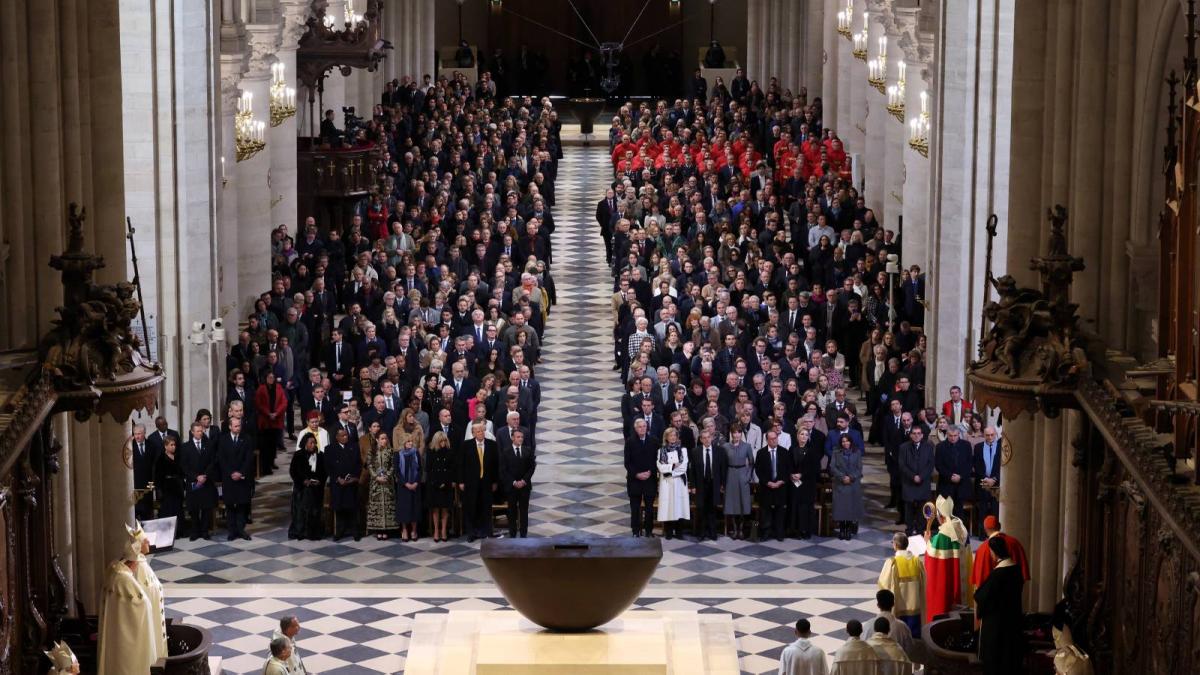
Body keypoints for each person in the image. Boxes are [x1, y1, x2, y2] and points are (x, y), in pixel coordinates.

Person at [98, 537, 158, 675]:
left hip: (115, 629)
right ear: (134, 562)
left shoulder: (113, 568)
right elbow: (143, 605)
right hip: (125, 635)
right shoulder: (124, 579)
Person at [973, 536, 1026, 675]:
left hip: (997, 625)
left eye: (991, 551)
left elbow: (982, 596)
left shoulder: (998, 573)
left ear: (995, 552)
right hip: (1013, 621)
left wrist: (977, 595)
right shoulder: (1016, 569)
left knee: (996, 663)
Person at [924, 495, 970, 623]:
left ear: (940, 516)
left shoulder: (943, 535)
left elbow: (932, 557)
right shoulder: (960, 526)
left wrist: (927, 541)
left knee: (945, 601)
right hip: (960, 575)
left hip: (946, 578)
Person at [125, 524, 167, 662]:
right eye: (145, 541)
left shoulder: (141, 562)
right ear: (138, 546)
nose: (148, 541)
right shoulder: (138, 566)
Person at [877, 532, 924, 635]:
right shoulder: (917, 561)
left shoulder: (892, 562)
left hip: (898, 607)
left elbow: (883, 585)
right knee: (914, 637)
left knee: (898, 635)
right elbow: (924, 584)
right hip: (915, 607)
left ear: (895, 545)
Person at [459, 421, 498, 542]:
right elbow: (461, 465)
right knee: (471, 507)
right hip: (471, 482)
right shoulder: (466, 445)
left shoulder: (492, 444)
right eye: (478, 431)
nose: (481, 433)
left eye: (482, 431)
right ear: (473, 433)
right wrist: (461, 481)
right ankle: (472, 533)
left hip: (487, 482)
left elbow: (496, 465)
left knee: (485, 507)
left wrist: (495, 481)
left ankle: (486, 532)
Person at [216, 416, 254, 540]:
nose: (238, 428)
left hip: (242, 478)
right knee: (230, 505)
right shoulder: (223, 440)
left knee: (242, 505)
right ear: (230, 427)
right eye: (236, 426)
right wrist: (231, 473)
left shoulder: (247, 438)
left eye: (239, 425)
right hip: (229, 478)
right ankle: (232, 531)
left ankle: (241, 530)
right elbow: (221, 459)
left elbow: (249, 458)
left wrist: (241, 472)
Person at [180, 421, 217, 540]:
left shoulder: (209, 445)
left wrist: (204, 475)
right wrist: (197, 477)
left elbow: (212, 462)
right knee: (194, 508)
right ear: (192, 432)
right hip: (193, 481)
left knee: (206, 507)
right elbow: (184, 466)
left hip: (206, 480)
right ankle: (195, 531)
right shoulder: (185, 447)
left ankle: (205, 531)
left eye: (201, 431)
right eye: (198, 431)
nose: (200, 433)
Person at [970, 516, 1030, 588]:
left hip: (992, 592)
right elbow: (1022, 574)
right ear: (999, 526)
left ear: (985, 529)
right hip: (1013, 591)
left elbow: (980, 580)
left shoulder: (982, 549)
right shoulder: (1015, 543)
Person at [688, 427, 726, 541]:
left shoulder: (719, 451)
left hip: (714, 484)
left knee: (712, 508)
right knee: (701, 509)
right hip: (701, 484)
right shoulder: (695, 451)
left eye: (708, 437)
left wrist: (722, 484)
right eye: (704, 438)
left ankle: (712, 532)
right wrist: (693, 486)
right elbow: (692, 471)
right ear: (700, 439)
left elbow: (723, 469)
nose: (707, 440)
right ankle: (702, 532)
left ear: (712, 438)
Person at [324, 427, 361, 541]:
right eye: (343, 436)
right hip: (338, 484)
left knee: (352, 508)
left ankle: (355, 531)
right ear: (337, 437)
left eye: (346, 435)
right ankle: (339, 531)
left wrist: (354, 478)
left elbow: (358, 463)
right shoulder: (330, 449)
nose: (346, 437)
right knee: (339, 508)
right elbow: (328, 466)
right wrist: (337, 478)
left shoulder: (354, 446)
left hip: (351, 483)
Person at [624, 418, 659, 537]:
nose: (642, 428)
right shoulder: (630, 442)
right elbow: (627, 462)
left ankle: (649, 531)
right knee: (635, 507)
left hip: (650, 479)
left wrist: (650, 472)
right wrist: (637, 474)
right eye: (640, 426)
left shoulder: (654, 441)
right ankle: (635, 531)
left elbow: (657, 459)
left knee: (649, 508)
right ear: (635, 429)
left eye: (644, 426)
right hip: (635, 480)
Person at [289, 432, 327, 540]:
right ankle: (300, 532)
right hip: (302, 488)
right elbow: (293, 471)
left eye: (314, 443)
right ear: (305, 443)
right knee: (302, 507)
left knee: (315, 509)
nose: (313, 445)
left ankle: (313, 532)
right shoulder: (298, 455)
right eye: (311, 443)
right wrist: (303, 481)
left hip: (316, 488)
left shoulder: (320, 455)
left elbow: (324, 472)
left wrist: (319, 481)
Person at [499, 427, 535, 538]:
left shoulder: (528, 450)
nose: (520, 439)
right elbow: (503, 470)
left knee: (524, 511)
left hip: (524, 487)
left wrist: (524, 481)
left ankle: (524, 534)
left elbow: (531, 467)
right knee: (512, 511)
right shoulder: (505, 452)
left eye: (522, 437)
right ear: (512, 438)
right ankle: (513, 533)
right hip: (512, 487)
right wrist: (514, 482)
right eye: (518, 437)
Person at [756, 430, 792, 541]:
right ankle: (765, 532)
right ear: (767, 440)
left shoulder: (784, 452)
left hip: (780, 486)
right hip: (766, 487)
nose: (774, 440)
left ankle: (779, 533)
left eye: (775, 438)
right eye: (771, 439)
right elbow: (758, 470)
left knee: (780, 510)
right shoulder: (761, 453)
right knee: (765, 511)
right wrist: (767, 482)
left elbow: (788, 469)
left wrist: (781, 481)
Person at [788, 426, 823, 540]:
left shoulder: (813, 451)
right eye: (801, 434)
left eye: (806, 435)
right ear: (797, 436)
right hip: (794, 483)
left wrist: (802, 475)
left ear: (808, 437)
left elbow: (815, 469)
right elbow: (787, 465)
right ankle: (795, 530)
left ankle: (806, 530)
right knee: (795, 506)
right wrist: (791, 474)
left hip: (808, 485)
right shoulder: (792, 449)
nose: (803, 437)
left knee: (806, 508)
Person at [656, 426, 690, 539]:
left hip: (679, 483)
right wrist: (673, 466)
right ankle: (669, 532)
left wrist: (670, 471)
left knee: (679, 506)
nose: (673, 437)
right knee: (668, 507)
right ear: (666, 437)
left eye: (675, 435)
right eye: (670, 435)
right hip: (667, 483)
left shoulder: (683, 450)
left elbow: (683, 467)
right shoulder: (661, 451)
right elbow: (661, 467)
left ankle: (679, 532)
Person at [934, 426, 973, 522]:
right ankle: (947, 531)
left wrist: (961, 476)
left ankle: (959, 531)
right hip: (946, 484)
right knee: (946, 513)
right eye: (950, 436)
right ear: (947, 435)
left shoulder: (966, 445)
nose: (953, 438)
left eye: (955, 435)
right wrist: (950, 476)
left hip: (962, 485)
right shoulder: (940, 447)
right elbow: (938, 465)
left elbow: (969, 464)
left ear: (959, 434)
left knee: (959, 513)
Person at [899, 426, 934, 535]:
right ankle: (909, 530)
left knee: (922, 509)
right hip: (909, 482)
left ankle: (920, 530)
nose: (916, 435)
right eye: (914, 433)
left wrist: (921, 477)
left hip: (923, 483)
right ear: (910, 435)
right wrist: (913, 476)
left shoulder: (928, 447)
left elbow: (930, 464)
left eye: (919, 433)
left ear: (922, 435)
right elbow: (902, 465)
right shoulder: (903, 447)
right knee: (908, 509)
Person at [723, 424, 755, 539]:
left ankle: (741, 529)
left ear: (741, 434)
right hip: (730, 474)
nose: (737, 435)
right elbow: (723, 464)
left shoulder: (747, 446)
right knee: (731, 503)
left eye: (739, 432)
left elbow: (751, 463)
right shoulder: (725, 446)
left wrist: (748, 476)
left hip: (742, 474)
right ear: (731, 434)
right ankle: (734, 529)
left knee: (743, 502)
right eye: (734, 432)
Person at [862, 589, 914, 659]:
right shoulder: (902, 627)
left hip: (874, 664)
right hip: (897, 664)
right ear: (893, 604)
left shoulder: (868, 625)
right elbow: (909, 651)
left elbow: (863, 648)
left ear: (878, 605)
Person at [830, 433, 865, 540]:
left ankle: (848, 530)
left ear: (851, 442)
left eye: (847, 441)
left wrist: (851, 477)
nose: (845, 443)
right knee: (841, 508)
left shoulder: (857, 452)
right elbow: (832, 467)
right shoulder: (836, 452)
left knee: (851, 508)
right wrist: (842, 477)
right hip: (840, 484)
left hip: (853, 484)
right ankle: (842, 530)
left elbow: (859, 468)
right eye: (843, 441)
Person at [255, 370, 288, 475]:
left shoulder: (279, 387)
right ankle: (266, 466)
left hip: (276, 420)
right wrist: (268, 413)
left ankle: (272, 461)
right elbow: (258, 403)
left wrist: (276, 413)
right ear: (265, 378)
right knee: (266, 445)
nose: (271, 379)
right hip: (265, 421)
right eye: (269, 377)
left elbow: (284, 402)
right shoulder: (261, 389)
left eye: (272, 377)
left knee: (274, 443)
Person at [367, 431, 398, 539]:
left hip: (387, 483)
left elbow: (393, 465)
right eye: (382, 438)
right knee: (377, 506)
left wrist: (387, 476)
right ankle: (378, 529)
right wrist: (376, 477)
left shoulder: (390, 451)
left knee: (387, 506)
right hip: (376, 483)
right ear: (377, 440)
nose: (384, 440)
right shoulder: (372, 451)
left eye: (385, 438)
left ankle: (386, 530)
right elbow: (369, 465)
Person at [426, 430, 456, 542]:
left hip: (446, 483)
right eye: (441, 441)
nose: (443, 443)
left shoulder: (450, 451)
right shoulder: (431, 451)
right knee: (435, 509)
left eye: (444, 440)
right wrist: (437, 482)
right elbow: (429, 468)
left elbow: (452, 469)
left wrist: (446, 482)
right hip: (434, 484)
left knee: (445, 509)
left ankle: (443, 530)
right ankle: (436, 531)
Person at [394, 436, 423, 541]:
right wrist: (406, 484)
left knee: (414, 508)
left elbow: (420, 469)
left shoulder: (416, 453)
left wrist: (415, 483)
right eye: (408, 441)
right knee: (404, 508)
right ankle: (404, 530)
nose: (411, 443)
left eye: (411, 441)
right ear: (403, 442)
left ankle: (414, 530)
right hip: (403, 486)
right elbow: (397, 471)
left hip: (415, 485)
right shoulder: (398, 454)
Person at [972, 426, 1002, 527]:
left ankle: (995, 532)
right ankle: (982, 532)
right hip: (982, 483)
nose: (990, 437)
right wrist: (985, 478)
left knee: (995, 510)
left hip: (996, 484)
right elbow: (976, 465)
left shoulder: (1001, 447)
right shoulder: (978, 447)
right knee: (982, 510)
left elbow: (1003, 466)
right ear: (984, 435)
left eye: (992, 435)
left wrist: (994, 479)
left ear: (996, 434)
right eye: (987, 435)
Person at [153, 436, 186, 522]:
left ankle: (179, 528)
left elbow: (182, 472)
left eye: (174, 445)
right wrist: (159, 491)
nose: (174, 447)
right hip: (166, 488)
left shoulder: (178, 457)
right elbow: (158, 476)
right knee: (168, 510)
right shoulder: (161, 458)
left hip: (177, 487)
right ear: (165, 446)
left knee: (178, 509)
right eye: (171, 445)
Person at [131, 424, 156, 520]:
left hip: (148, 484)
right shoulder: (130, 446)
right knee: (135, 512)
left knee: (147, 512)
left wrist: (152, 483)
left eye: (139, 434)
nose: (137, 436)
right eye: (135, 434)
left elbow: (154, 466)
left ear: (144, 433)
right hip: (135, 485)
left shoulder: (151, 445)